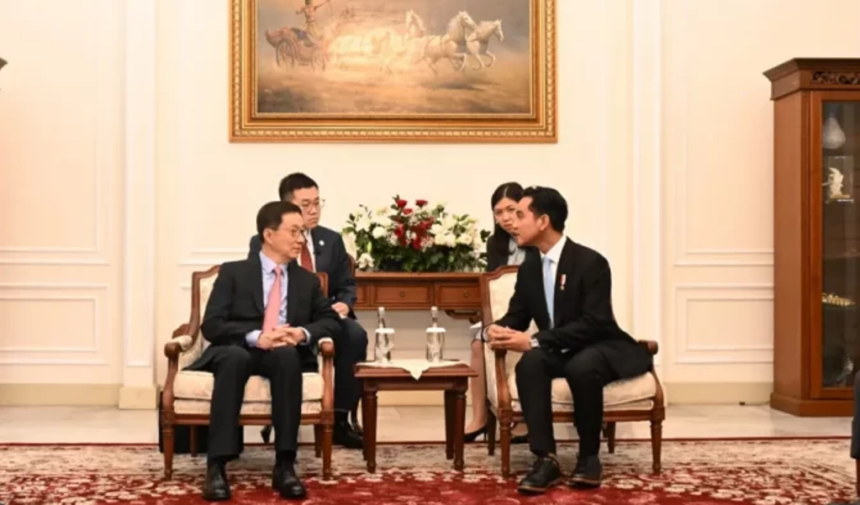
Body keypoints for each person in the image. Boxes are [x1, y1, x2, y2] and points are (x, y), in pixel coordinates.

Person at [486, 186, 653, 495]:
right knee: (531, 364)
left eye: (521, 214)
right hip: (559, 348)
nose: (513, 222)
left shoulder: (591, 263)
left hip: (599, 346)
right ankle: (545, 459)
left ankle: (589, 457)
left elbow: (592, 324)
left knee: (581, 364)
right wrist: (496, 330)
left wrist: (534, 340)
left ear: (543, 221)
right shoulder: (531, 268)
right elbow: (516, 317)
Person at [187, 201, 342, 501]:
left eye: (302, 232)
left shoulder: (307, 281)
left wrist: (300, 333)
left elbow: (330, 322)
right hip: (238, 346)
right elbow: (212, 325)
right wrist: (256, 336)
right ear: (269, 235)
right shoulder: (233, 273)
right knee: (234, 358)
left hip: (281, 352)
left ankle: (284, 465)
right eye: (294, 231)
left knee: (287, 356)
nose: (301, 239)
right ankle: (216, 466)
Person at [250, 173, 366, 450]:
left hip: (326, 315)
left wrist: (345, 303)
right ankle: (280, 414)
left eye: (317, 203)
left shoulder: (332, 240)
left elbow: (348, 284)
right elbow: (257, 284)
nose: (313, 211)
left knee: (355, 334)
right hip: (285, 315)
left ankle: (339, 418)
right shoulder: (263, 241)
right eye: (305, 205)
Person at [465, 182, 534, 443]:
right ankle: (480, 418)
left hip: (532, 317)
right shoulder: (495, 243)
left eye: (511, 210)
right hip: (505, 315)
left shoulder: (539, 240)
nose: (505, 218)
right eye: (498, 212)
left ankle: (524, 417)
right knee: (477, 345)